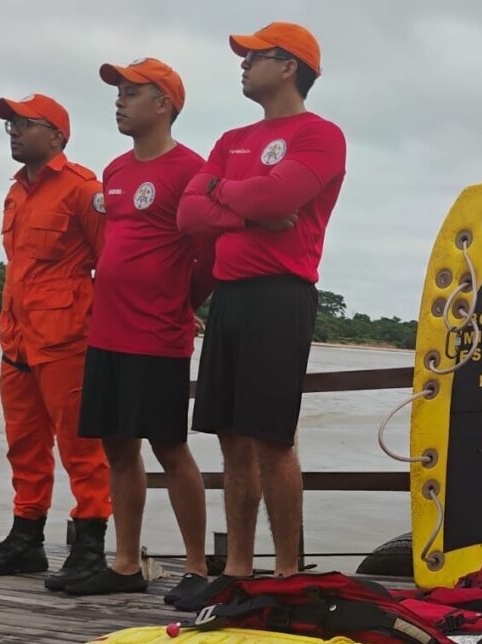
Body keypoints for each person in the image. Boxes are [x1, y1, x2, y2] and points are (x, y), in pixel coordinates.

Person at [175, 21, 346, 605]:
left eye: (255, 56)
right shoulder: (230, 138)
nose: (243, 64)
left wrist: (226, 194)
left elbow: (278, 199)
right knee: (229, 436)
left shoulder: (321, 136)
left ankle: (287, 573)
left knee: (273, 437)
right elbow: (187, 214)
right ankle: (240, 571)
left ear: (290, 66)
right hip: (231, 295)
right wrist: (248, 212)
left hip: (281, 293)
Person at [63, 58, 214, 603]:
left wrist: (181, 301)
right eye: (118, 92)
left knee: (170, 447)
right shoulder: (115, 170)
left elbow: (209, 256)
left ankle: (197, 566)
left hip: (158, 335)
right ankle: (125, 563)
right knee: (117, 449)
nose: (119, 100)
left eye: (132, 91)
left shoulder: (191, 170)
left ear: (164, 104)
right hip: (106, 332)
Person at [0, 94, 112, 590]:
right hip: (16, 338)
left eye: (24, 123)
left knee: (81, 446)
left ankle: (90, 547)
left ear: (56, 134)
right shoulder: (15, 193)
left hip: (68, 338)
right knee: (23, 444)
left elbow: (109, 263)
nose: (12, 130)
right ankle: (26, 541)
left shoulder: (83, 190)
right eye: (9, 123)